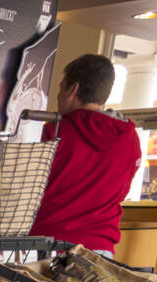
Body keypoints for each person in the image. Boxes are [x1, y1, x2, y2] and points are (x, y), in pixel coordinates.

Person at [29, 55, 142, 256]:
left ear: (73, 90)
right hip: (100, 251)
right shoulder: (129, 139)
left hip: (47, 246)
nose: (58, 95)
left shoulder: (51, 134)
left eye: (61, 87)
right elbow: (122, 192)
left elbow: (27, 192)